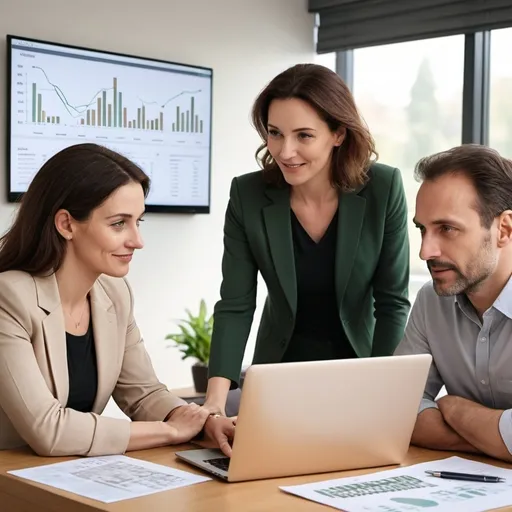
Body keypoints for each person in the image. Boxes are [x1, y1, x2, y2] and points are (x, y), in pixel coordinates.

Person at [0, 143, 234, 457]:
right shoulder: (9, 297)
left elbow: (144, 395)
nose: (137, 241)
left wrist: (205, 423)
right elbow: (48, 429)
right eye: (118, 224)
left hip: (68, 476)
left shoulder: (114, 294)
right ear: (66, 224)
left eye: (139, 222)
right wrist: (170, 430)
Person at [204, 63, 410, 417]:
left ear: (339, 134)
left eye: (304, 135)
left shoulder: (384, 188)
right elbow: (235, 305)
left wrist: (381, 394)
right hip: (277, 378)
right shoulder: (248, 194)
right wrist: (213, 404)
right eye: (275, 133)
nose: (285, 152)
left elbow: (392, 303)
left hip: (360, 376)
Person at [395, 144, 512, 462]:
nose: (425, 251)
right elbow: (398, 408)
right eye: (422, 229)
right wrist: (493, 439)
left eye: (447, 229)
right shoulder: (431, 301)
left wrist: (454, 409)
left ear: (504, 229)